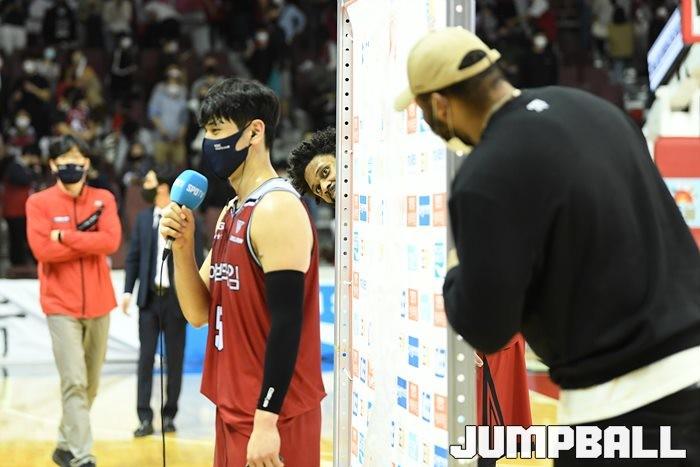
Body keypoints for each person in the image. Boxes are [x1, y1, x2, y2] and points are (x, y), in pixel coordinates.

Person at [395, 27, 700, 465]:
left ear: (441, 104)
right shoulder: (596, 110)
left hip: (621, 404)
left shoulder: (485, 174)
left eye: (424, 111)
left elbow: (487, 328)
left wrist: (458, 271)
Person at [288, 127, 532, 467]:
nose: (326, 186)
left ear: (344, 156)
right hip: (430, 352)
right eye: (318, 188)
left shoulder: (404, 192)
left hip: (476, 328)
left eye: (326, 171)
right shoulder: (363, 221)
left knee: (478, 450)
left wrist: (465, 331)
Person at [159, 78, 325, 466]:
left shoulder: (277, 208)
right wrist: (183, 247)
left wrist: (267, 421)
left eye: (217, 130)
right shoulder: (231, 212)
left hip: (275, 416)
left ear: (254, 132)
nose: (208, 142)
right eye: (206, 132)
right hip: (233, 407)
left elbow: (288, 323)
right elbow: (198, 313)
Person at [25, 135, 122, 467]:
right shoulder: (38, 203)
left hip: (100, 303)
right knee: (75, 382)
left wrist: (64, 236)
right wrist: (88, 241)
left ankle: (65, 445)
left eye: (77, 159)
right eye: (64, 159)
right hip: (60, 306)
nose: (72, 165)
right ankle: (82, 456)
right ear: (53, 164)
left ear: (87, 163)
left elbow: (110, 242)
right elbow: (42, 250)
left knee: (90, 385)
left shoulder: (103, 199)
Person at [122, 168, 204, 437]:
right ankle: (144, 417)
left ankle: (170, 415)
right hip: (149, 299)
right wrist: (127, 291)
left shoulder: (187, 220)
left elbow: (198, 259)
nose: (144, 186)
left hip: (176, 301)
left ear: (163, 187)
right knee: (145, 358)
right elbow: (133, 257)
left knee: (175, 359)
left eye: (149, 181)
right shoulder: (143, 219)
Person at [148, 65, 188, 167]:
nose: (173, 78)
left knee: (179, 167)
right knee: (160, 168)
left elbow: (184, 117)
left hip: (178, 140)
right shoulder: (159, 89)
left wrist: (180, 135)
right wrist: (163, 131)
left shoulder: (183, 90)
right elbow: (153, 113)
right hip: (161, 138)